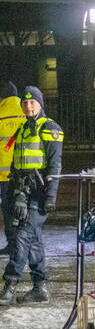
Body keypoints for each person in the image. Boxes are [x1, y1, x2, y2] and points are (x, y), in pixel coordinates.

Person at [0, 87, 63, 305]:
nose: (28, 106)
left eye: (32, 102)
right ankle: (40, 287)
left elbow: (55, 165)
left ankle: (10, 284)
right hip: (22, 193)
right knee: (33, 238)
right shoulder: (22, 129)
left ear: (40, 104)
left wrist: (51, 197)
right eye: (25, 103)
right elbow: (17, 165)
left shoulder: (50, 128)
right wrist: (14, 193)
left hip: (39, 192)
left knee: (21, 237)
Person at [0, 83, 25, 255]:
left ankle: (11, 244)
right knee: (23, 209)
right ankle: (22, 245)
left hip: (4, 174)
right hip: (25, 172)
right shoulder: (27, 113)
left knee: (8, 210)